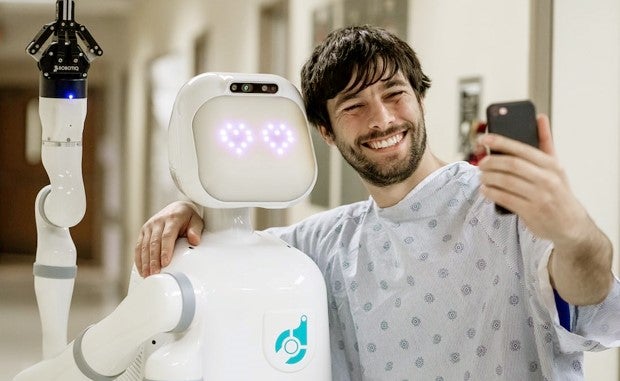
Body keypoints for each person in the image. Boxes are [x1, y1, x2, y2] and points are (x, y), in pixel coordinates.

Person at [135, 25, 619, 380]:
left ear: (420, 100)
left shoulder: (508, 208)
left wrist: (575, 233)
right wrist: (196, 208)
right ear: (325, 131)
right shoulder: (320, 244)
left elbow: (596, 302)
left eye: (395, 94)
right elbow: (233, 258)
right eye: (354, 106)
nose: (382, 119)